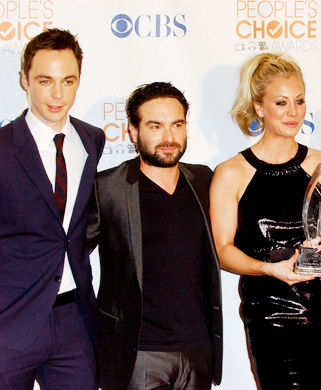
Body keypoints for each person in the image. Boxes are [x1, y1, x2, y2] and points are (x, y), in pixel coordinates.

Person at [209, 52, 321, 390]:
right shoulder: (230, 173)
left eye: (300, 102)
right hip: (270, 312)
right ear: (259, 107)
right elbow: (224, 251)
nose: (293, 112)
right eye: (281, 103)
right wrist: (269, 268)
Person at [87, 82, 223, 390]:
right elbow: (68, 254)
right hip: (138, 355)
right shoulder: (106, 188)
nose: (169, 138)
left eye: (177, 125)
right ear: (133, 132)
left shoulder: (204, 179)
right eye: (155, 126)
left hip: (197, 351)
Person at [0, 29, 105, 389]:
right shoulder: (2, 147)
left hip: (74, 318)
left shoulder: (92, 139)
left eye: (68, 81)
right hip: (9, 319)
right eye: (45, 81)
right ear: (24, 80)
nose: (57, 94)